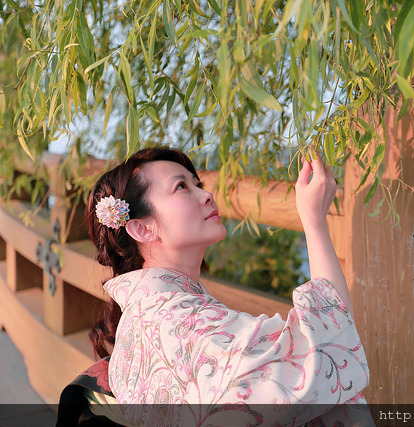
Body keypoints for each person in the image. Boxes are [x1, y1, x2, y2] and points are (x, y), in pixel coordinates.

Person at [56, 147, 372, 426]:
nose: (206, 195)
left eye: (198, 184)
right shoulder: (187, 326)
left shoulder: (145, 315)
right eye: (181, 187)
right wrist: (314, 220)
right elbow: (325, 353)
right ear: (142, 228)